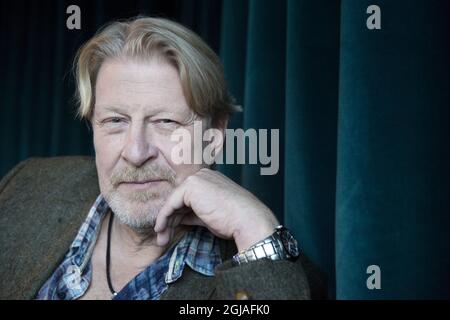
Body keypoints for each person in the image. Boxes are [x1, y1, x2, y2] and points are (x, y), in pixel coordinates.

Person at [0, 16, 325, 300]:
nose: (136, 153)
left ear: (214, 138)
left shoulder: (280, 277)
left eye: (166, 122)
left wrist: (254, 229)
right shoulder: (26, 185)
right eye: (115, 121)